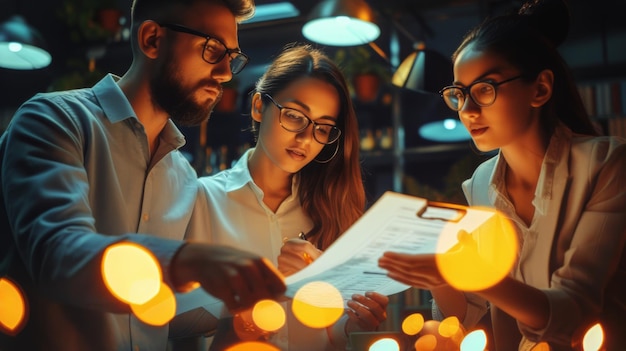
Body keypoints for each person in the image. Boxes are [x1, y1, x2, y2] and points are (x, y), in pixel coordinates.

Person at [0, 0, 287, 350]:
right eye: (213, 50)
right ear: (152, 39)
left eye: (233, 57)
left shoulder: (182, 175)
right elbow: (58, 256)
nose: (227, 73)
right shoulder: (54, 121)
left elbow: (164, 316)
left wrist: (243, 312)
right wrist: (187, 261)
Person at [378, 0, 626, 350]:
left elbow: (575, 312)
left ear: (540, 89)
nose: (468, 110)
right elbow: (465, 314)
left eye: (484, 89)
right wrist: (439, 270)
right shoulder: (481, 183)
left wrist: (471, 273)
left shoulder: (606, 163)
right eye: (459, 94)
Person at [186, 43, 389, 350]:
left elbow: (327, 333)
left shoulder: (330, 207)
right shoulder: (204, 200)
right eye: (295, 116)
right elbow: (177, 323)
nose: (306, 138)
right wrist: (265, 292)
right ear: (258, 106)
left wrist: (352, 323)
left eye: (323, 127)